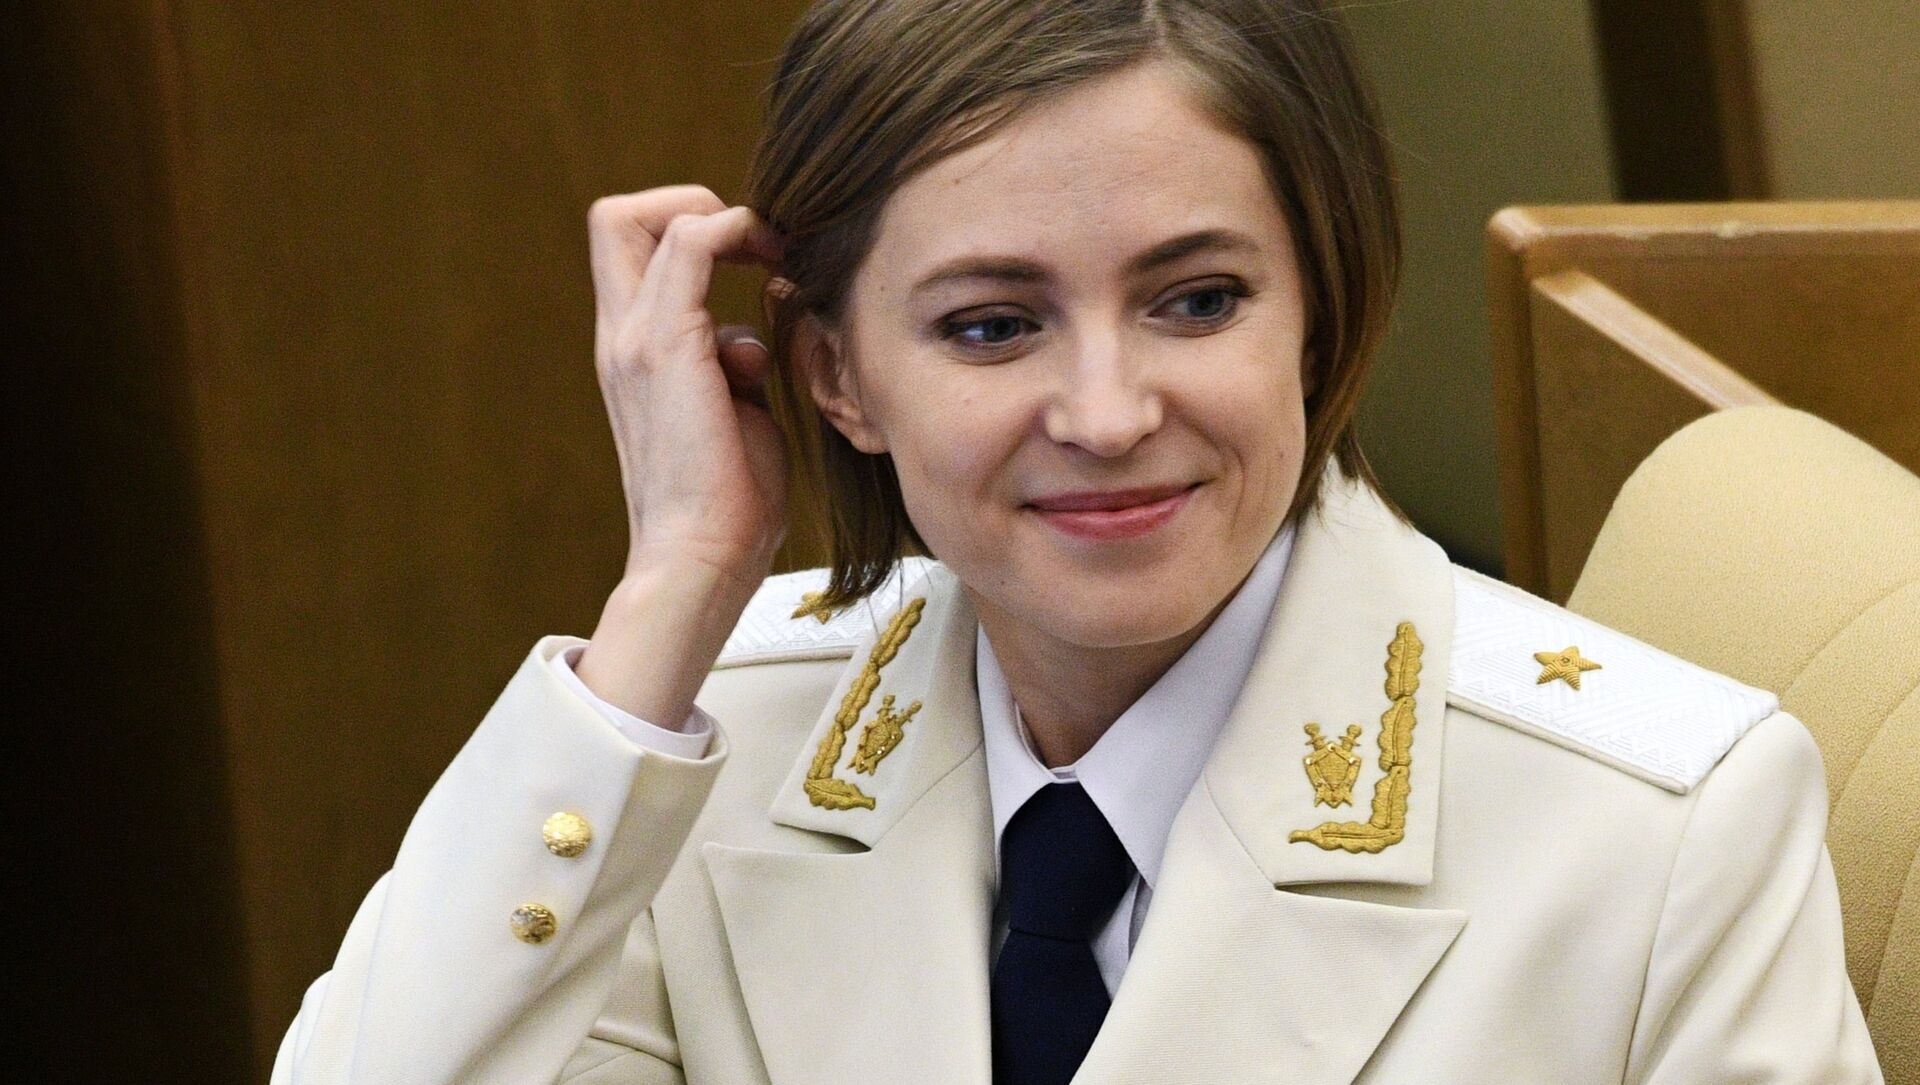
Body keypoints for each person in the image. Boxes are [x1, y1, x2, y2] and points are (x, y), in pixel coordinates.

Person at [272, 0, 1884, 1082]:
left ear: (1318, 313)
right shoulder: (702, 739)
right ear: (835, 374)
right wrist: (677, 578)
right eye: (992, 325)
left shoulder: (1665, 827)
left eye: (1198, 300)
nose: (1109, 413)